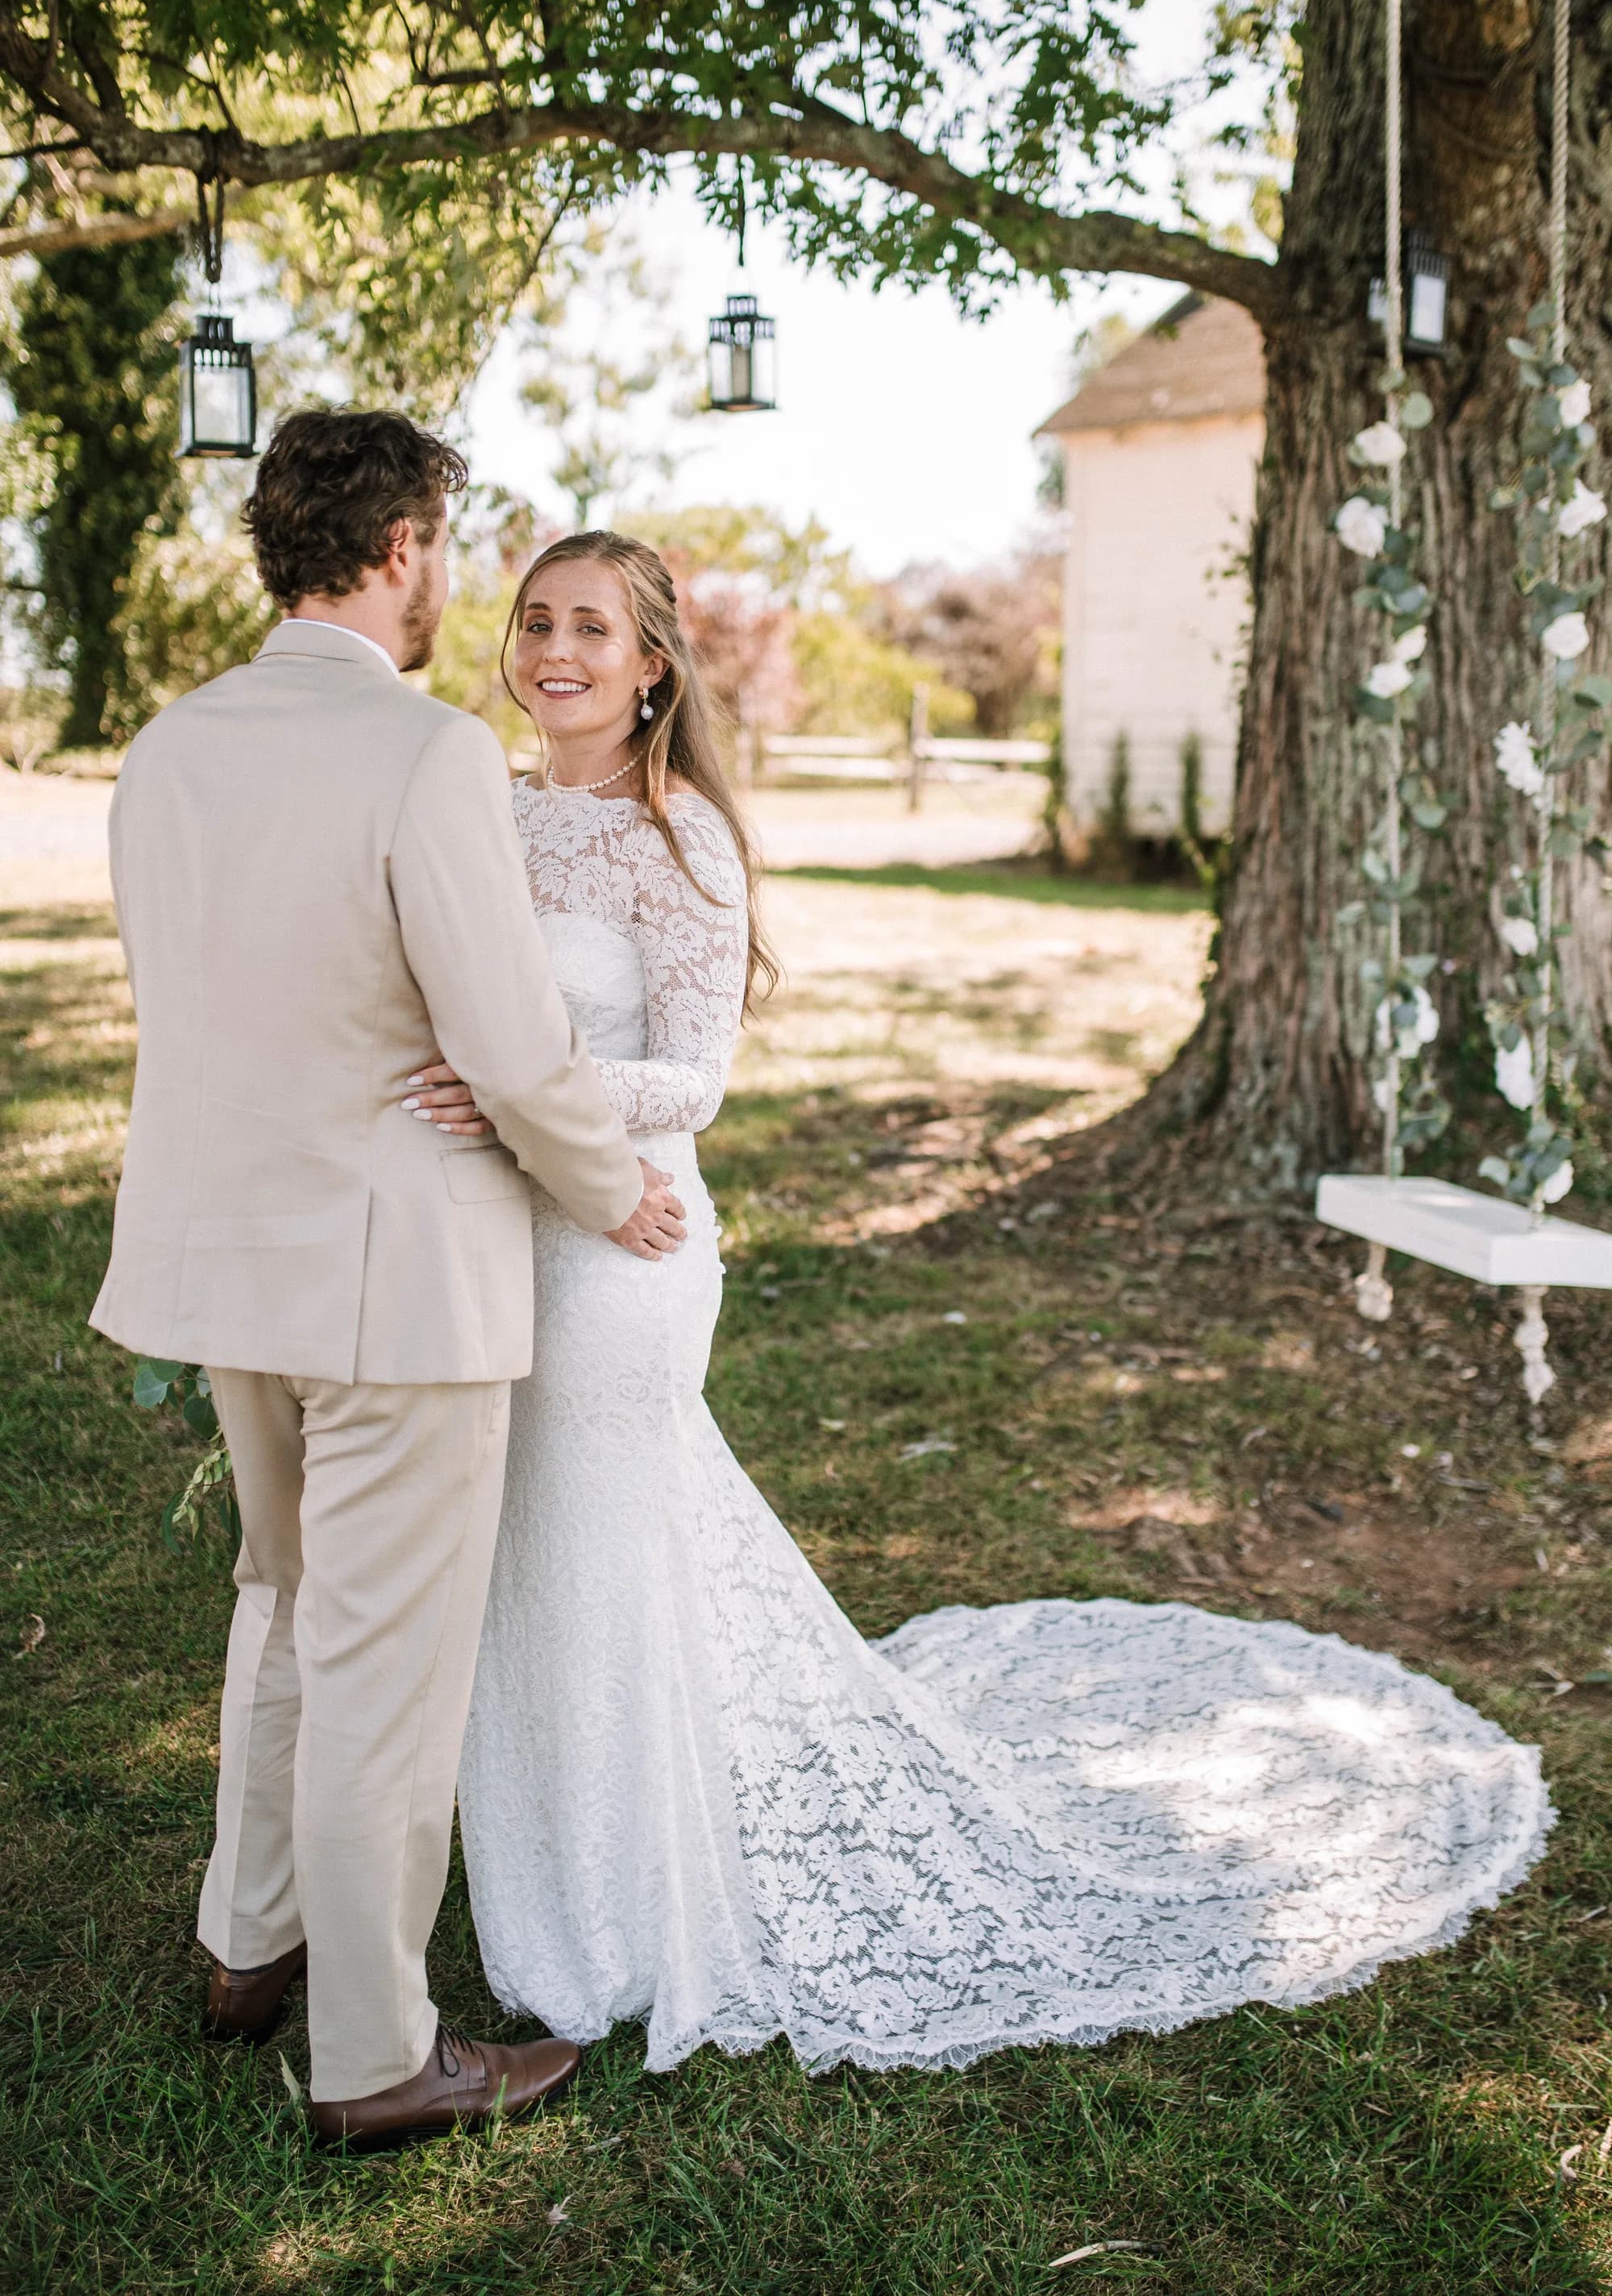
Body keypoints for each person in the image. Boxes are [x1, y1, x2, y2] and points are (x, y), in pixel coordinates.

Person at [419, 529, 1553, 2076]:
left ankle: (631, 1907)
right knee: (526, 1557)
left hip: (624, 1250)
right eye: (536, 621)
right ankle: (556, 1867)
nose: (556, 652)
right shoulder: (486, 809)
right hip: (493, 1245)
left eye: (593, 631)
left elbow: (691, 1079)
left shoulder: (683, 842)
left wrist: (509, 1088)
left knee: (602, 1554)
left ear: (652, 666)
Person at [89, 414, 685, 2152]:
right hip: (395, 1273)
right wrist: (605, 1185)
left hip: (223, 1258)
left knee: (276, 1602)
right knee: (379, 1660)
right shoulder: (421, 754)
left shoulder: (168, 748)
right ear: (410, 541)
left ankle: (241, 1942)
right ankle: (373, 2052)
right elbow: (502, 1037)